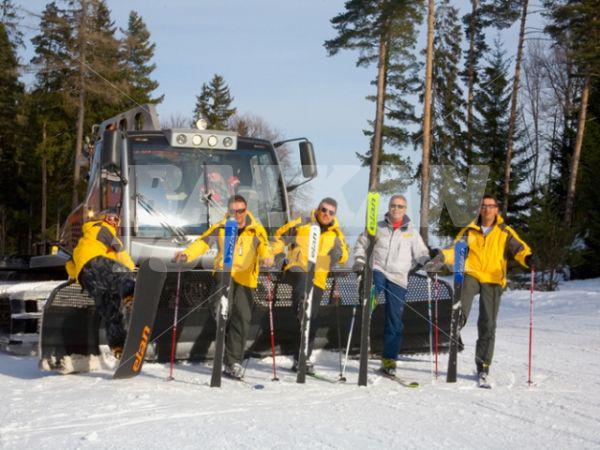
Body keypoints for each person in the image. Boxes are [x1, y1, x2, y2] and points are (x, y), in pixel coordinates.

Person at [424, 194, 533, 383]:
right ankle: (456, 323)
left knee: (488, 323)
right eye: (484, 206)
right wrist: (441, 256)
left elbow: (520, 249)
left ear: (496, 210)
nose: (487, 209)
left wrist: (528, 258)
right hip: (472, 273)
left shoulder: (505, 231)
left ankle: (483, 365)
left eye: (491, 206)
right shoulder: (470, 230)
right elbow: (455, 251)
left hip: (493, 278)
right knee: (464, 288)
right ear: (480, 209)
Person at [174, 194, 273, 379]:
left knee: (242, 317)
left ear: (246, 209)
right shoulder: (221, 227)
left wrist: (267, 257)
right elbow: (203, 242)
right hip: (224, 272)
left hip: (245, 277)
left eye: (241, 210)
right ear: (228, 211)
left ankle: (233, 361)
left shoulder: (256, 230)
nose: (237, 214)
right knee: (220, 308)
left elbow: (265, 248)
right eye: (233, 211)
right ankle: (221, 322)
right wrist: (187, 255)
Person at [353, 194, 430, 377]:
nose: (396, 209)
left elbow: (421, 253)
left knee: (394, 320)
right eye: (393, 205)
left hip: (398, 278)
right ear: (389, 207)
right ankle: (366, 306)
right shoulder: (377, 227)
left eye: (400, 206)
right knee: (374, 287)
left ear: (405, 209)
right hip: (377, 269)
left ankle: (389, 360)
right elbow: (361, 244)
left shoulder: (411, 232)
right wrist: (359, 259)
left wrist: (430, 262)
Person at [272, 197, 349, 374]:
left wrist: (337, 254)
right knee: (303, 281)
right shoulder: (302, 223)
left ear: (334, 215)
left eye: (331, 212)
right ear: (318, 208)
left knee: (311, 319)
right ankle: (301, 304)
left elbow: (345, 253)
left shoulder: (336, 233)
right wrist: (277, 256)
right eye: (324, 210)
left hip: (318, 277)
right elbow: (278, 237)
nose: (326, 214)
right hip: (297, 268)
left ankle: (302, 359)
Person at [65, 210, 136, 359]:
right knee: (123, 273)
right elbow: (121, 252)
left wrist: (77, 275)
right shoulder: (102, 228)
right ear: (103, 218)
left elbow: (70, 267)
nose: (114, 223)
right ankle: (130, 295)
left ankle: (118, 346)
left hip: (86, 279)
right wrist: (132, 270)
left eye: (117, 221)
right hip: (95, 262)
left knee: (112, 311)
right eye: (112, 218)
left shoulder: (82, 242)